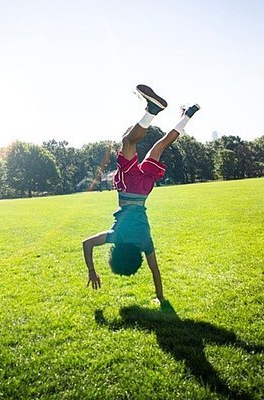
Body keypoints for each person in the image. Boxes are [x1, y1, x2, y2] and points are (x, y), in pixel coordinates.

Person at [82, 84, 199, 302]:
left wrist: (161, 299)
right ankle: (152, 110)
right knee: (127, 141)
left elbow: (155, 271)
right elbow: (86, 243)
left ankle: (187, 116)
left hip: (145, 190)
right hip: (130, 188)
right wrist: (91, 270)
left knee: (160, 145)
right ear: (115, 254)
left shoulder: (145, 243)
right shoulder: (115, 237)